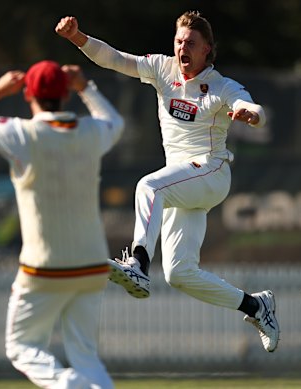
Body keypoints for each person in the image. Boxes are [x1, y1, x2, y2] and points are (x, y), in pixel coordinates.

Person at [56, 10, 279, 352]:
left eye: (190, 42)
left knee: (148, 186)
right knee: (179, 274)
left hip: (211, 172)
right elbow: (115, 59)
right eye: (178, 41)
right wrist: (77, 38)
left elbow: (252, 106)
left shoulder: (221, 86)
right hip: (182, 182)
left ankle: (138, 264)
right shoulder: (163, 69)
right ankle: (256, 306)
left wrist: (251, 115)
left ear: (208, 49)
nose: (181, 47)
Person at [0, 61, 124, 389]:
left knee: (21, 347)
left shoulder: (20, 134)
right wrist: (86, 86)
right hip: (93, 264)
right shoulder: (91, 132)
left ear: (28, 94)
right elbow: (115, 121)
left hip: (44, 268)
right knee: (86, 355)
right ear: (66, 96)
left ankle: (67, 384)